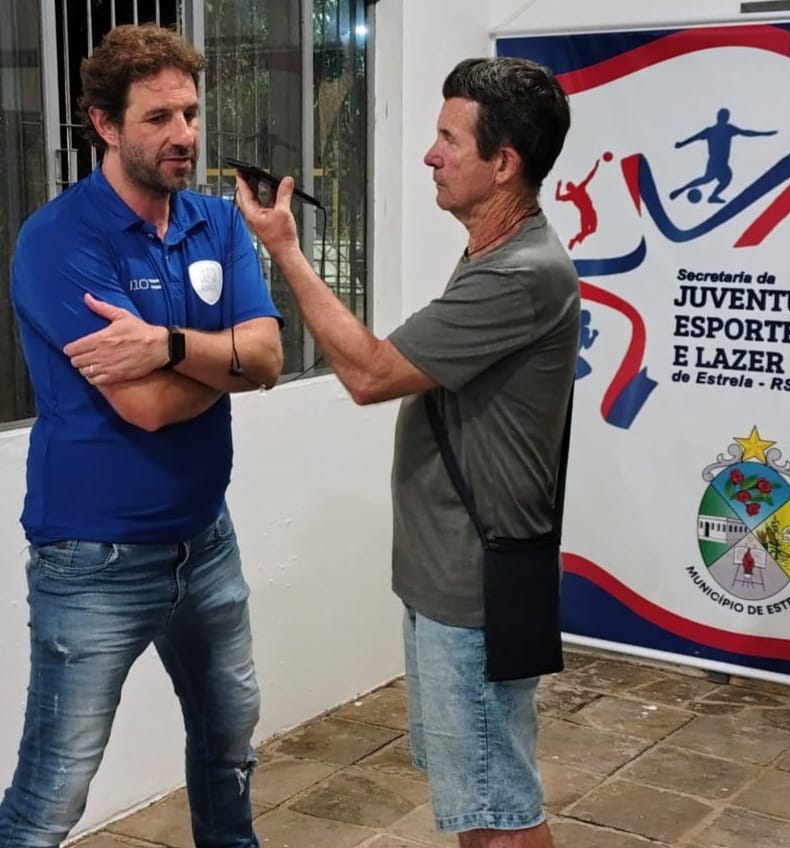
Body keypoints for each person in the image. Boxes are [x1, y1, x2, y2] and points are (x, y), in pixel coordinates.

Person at [236, 57, 579, 848]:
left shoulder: (520, 273)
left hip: (474, 586)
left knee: (498, 816)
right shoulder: (491, 254)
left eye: (448, 139)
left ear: (503, 163)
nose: (430, 154)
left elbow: (369, 373)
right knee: (474, 805)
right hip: (449, 578)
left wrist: (286, 250)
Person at [0, 23, 283, 848]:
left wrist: (167, 345)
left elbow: (269, 355)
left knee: (230, 746)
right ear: (104, 124)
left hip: (205, 538)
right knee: (54, 792)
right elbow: (149, 407)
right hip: (95, 555)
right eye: (158, 118)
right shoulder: (59, 239)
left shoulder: (215, 222)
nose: (183, 134)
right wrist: (223, 360)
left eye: (189, 113)